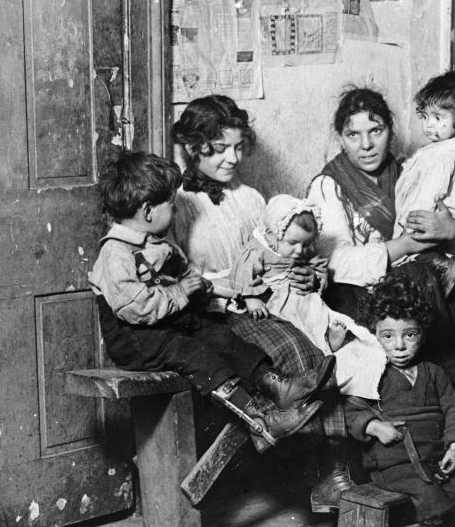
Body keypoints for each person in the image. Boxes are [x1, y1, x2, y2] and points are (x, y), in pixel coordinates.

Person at [307, 86, 455, 527]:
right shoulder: (328, 186)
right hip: (367, 307)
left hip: (431, 300)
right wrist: (406, 248)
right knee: (443, 355)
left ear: (392, 131)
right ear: (340, 137)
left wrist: (453, 233)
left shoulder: (422, 166)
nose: (366, 143)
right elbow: (334, 265)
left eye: (376, 130)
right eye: (353, 134)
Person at [170, 95, 357, 513]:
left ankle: (336, 471)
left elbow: (283, 250)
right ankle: (327, 471)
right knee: (299, 351)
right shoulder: (178, 203)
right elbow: (178, 277)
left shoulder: (253, 198)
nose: (233, 158)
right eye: (220, 149)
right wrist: (232, 290)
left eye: (238, 147)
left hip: (270, 302)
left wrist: (309, 274)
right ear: (193, 146)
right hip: (216, 312)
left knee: (330, 350)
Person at [88, 151, 331, 452]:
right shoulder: (116, 253)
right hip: (134, 338)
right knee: (197, 354)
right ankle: (259, 420)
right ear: (148, 211)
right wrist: (181, 291)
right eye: (171, 204)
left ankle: (277, 386)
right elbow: (135, 309)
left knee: (219, 334)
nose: (175, 211)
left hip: (165, 324)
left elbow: (191, 279)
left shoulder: (159, 243)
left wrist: (216, 289)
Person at [345, 273, 455, 527]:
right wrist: (374, 427)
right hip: (393, 460)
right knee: (426, 489)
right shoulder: (371, 372)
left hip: (433, 453)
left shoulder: (433, 372)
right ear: (374, 334)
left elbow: (454, 409)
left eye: (410, 335)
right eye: (388, 336)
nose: (400, 346)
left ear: (423, 333)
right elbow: (351, 411)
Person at [229, 194, 387, 400]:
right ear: (271, 235)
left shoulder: (300, 249)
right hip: (277, 302)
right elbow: (240, 274)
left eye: (306, 244)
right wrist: (251, 298)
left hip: (301, 297)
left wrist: (317, 276)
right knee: (300, 327)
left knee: (318, 314)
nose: (299, 250)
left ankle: (331, 341)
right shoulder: (257, 251)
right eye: (293, 243)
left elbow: (317, 265)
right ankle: (325, 349)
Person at [393, 72, 455, 302]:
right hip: (453, 220)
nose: (429, 125)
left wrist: (410, 226)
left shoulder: (443, 154)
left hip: (434, 218)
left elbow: (431, 191)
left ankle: (446, 267)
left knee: (417, 258)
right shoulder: (452, 147)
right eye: (425, 116)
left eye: (438, 117)